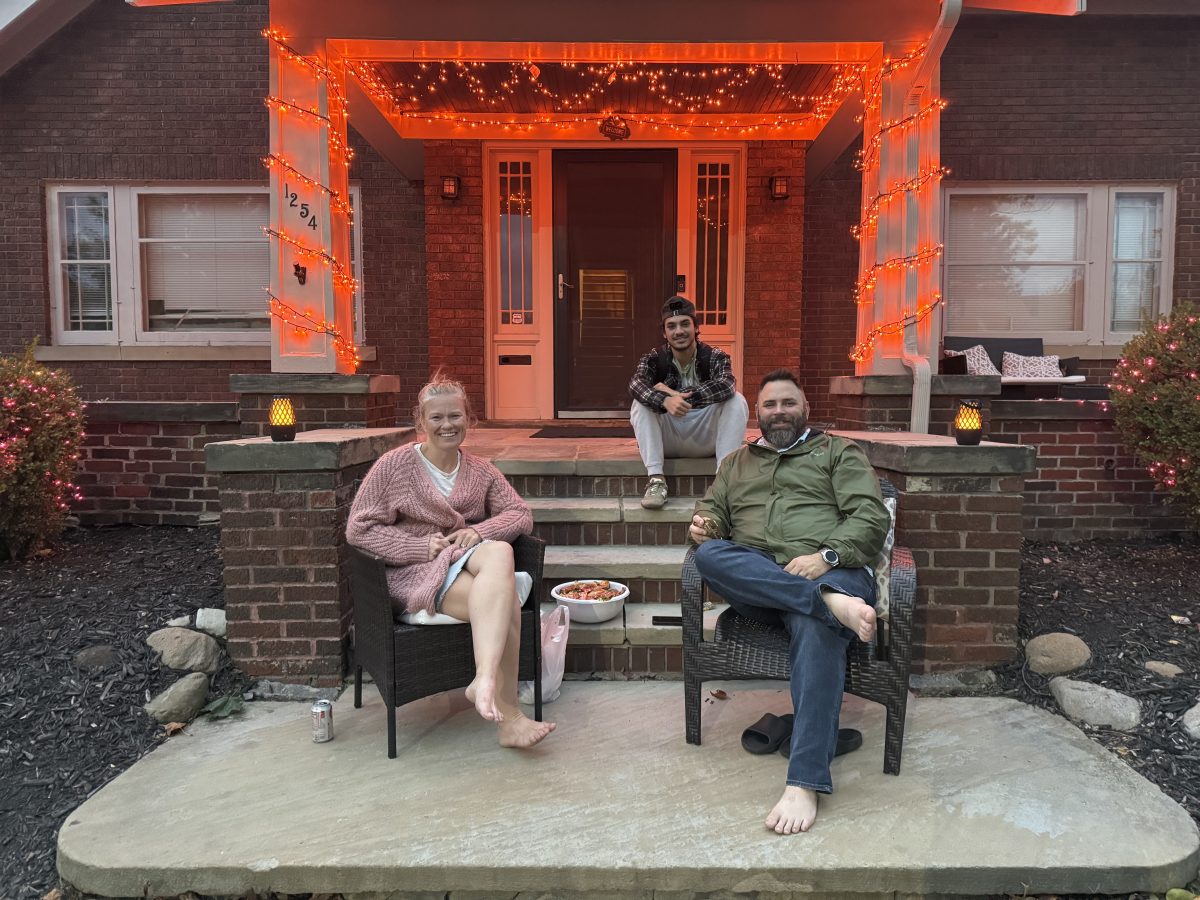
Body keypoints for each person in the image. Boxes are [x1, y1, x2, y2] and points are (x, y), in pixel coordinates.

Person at [688, 369, 889, 835]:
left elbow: (869, 516)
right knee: (712, 554)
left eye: (788, 403)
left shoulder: (838, 453)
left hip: (833, 569)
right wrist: (704, 524)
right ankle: (826, 603)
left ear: (806, 409)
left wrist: (826, 557)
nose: (778, 411)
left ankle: (803, 783)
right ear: (757, 414)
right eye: (770, 405)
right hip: (762, 583)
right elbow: (713, 510)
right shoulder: (737, 463)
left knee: (816, 627)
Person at [346, 375, 555, 749]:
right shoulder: (394, 466)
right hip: (414, 575)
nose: (447, 426)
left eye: (455, 416)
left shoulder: (480, 470)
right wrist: (415, 547)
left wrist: (482, 530)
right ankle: (509, 717)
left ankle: (484, 679)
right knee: (503, 599)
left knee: (501, 550)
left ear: (469, 419)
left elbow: (520, 514)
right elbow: (359, 529)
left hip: (465, 560)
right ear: (420, 422)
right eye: (437, 418)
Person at [629, 295, 749, 510]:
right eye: (671, 326)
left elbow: (727, 385)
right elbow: (636, 386)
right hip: (668, 440)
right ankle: (656, 480)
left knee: (737, 400)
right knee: (640, 404)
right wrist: (665, 400)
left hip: (706, 439)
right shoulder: (653, 359)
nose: (679, 331)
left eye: (685, 324)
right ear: (664, 332)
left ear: (695, 327)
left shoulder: (715, 356)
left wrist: (673, 394)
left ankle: (723, 482)